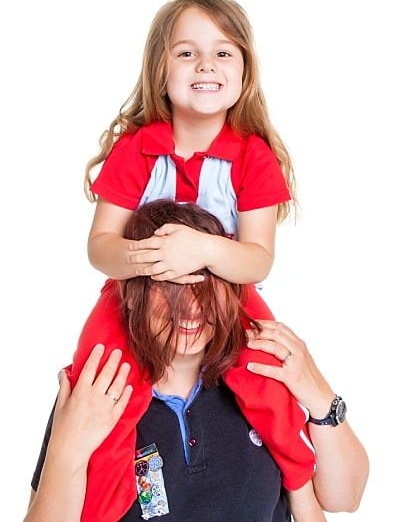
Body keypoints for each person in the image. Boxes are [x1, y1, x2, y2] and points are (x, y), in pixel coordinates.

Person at [69, 0, 312, 520]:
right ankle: (104, 500)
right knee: (98, 382)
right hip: (136, 298)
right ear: (161, 70)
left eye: (224, 53)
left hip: (227, 299)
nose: (206, 65)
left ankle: (300, 487)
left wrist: (201, 250)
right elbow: (100, 247)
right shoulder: (136, 148)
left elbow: (257, 260)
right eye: (186, 53)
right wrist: (152, 258)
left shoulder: (254, 157)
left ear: (245, 73)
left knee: (270, 379)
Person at [28, 200, 367, 521]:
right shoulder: (95, 400)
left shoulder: (263, 383)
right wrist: (64, 453)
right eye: (168, 283)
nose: (190, 308)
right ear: (131, 297)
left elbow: (345, 498)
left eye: (203, 280)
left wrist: (321, 397)